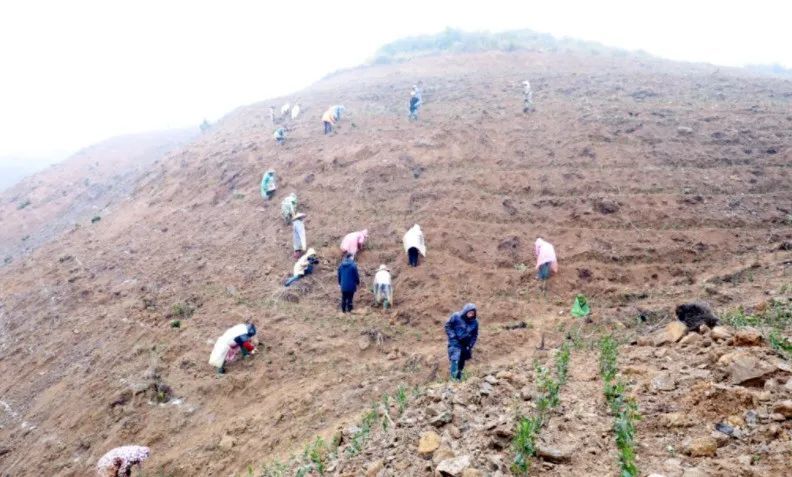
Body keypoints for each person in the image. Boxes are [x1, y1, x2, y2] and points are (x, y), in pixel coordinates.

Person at [445, 303, 479, 381]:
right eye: (469, 312)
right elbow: (448, 326)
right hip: (455, 342)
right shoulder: (456, 316)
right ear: (466, 311)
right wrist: (452, 336)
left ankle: (458, 379)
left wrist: (471, 345)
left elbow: (475, 335)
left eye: (472, 313)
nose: (471, 315)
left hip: (465, 344)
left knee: (461, 361)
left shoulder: (474, 322)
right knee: (455, 357)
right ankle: (453, 379)